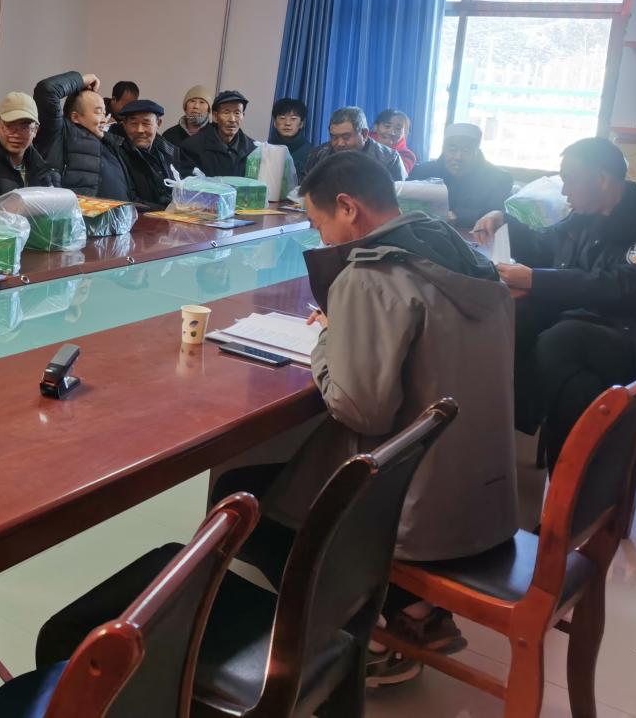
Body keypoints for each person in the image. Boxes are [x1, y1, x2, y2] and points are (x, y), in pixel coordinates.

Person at [217, 151, 516, 683]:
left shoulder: (371, 274)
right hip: (481, 495)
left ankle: (355, 637)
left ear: (348, 207)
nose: (322, 237)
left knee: (241, 501)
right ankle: (414, 609)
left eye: (319, 223)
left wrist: (328, 338)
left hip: (416, 513)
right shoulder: (466, 256)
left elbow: (360, 409)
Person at [473, 137, 636, 470]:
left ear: (602, 179)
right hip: (583, 327)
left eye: (570, 180)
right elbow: (545, 245)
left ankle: (546, 448)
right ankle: (567, 480)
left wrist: (536, 280)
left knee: (561, 339)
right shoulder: (585, 216)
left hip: (633, 336)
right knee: (570, 381)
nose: (564, 191)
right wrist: (502, 219)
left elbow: (621, 285)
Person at [32, 70, 132, 199]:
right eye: (98, 112)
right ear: (75, 117)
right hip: (76, 210)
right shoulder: (60, 132)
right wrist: (83, 80)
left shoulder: (113, 143)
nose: (104, 119)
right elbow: (47, 90)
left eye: (104, 113)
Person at [410, 123, 512, 229]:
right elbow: (405, 203)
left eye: (466, 151)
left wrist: (459, 217)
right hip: (424, 231)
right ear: (444, 149)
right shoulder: (422, 171)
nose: (458, 157)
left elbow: (496, 215)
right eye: (452, 150)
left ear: (477, 151)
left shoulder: (499, 178)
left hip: (474, 235)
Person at [304, 106, 408, 182]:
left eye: (346, 137)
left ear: (364, 134)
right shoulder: (319, 154)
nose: (340, 143)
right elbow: (303, 191)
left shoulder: (390, 159)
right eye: (334, 137)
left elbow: (399, 200)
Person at [116, 99, 180, 208]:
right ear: (125, 125)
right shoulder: (117, 154)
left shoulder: (169, 153)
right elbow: (129, 200)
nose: (140, 130)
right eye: (133, 123)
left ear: (158, 123)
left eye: (146, 123)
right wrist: (168, 211)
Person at [179, 90, 256, 177]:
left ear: (243, 116)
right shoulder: (192, 147)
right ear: (215, 116)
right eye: (226, 113)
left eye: (237, 113)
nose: (232, 119)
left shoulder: (253, 150)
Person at [269, 97, 312, 178]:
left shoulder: (311, 153)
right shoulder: (265, 149)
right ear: (275, 123)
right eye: (282, 118)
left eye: (293, 118)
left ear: (301, 124)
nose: (287, 123)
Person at [372, 109, 417, 174]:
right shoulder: (362, 141)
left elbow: (398, 175)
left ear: (405, 133)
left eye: (398, 128)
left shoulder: (407, 155)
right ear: (375, 127)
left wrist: (384, 149)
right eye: (387, 126)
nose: (392, 133)